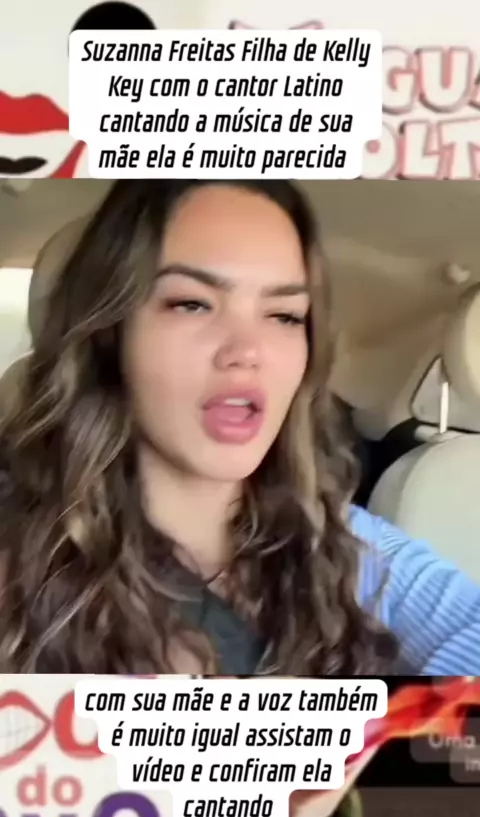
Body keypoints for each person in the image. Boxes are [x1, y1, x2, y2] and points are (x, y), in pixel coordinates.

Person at [0, 178, 478, 676]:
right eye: (193, 304)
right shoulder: (18, 555)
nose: (248, 350)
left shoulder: (339, 540)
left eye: (284, 315)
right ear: (111, 334)